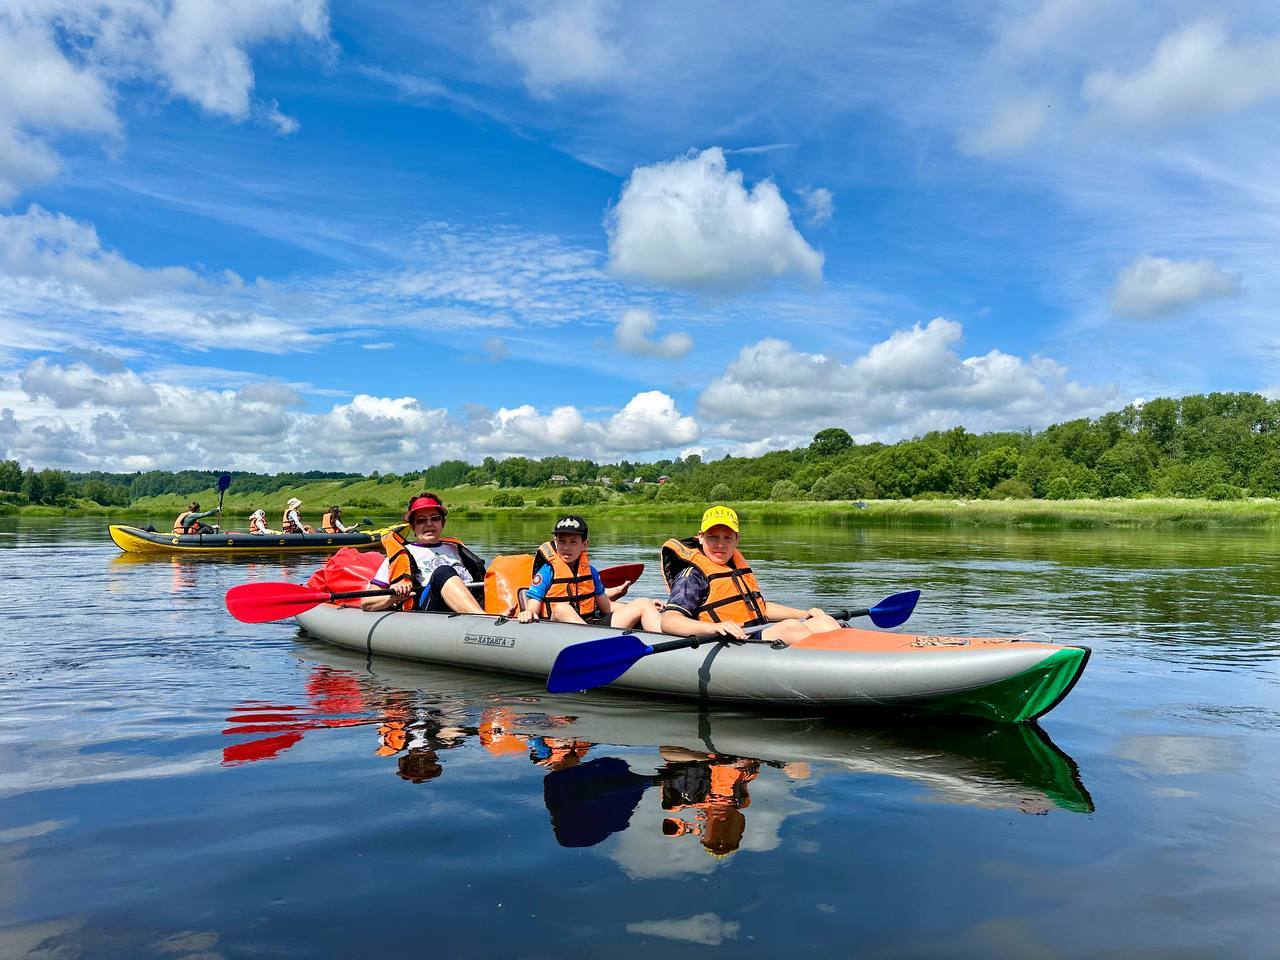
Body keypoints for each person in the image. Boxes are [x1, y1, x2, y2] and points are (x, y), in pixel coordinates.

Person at [659, 505, 843, 644]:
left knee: (824, 622)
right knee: (790, 627)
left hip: (756, 632)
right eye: (712, 537)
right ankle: (838, 667)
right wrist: (714, 627)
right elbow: (670, 621)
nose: (720, 544)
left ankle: (849, 657)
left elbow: (761, 608)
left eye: (727, 537)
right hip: (727, 641)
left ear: (737, 539)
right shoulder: (692, 576)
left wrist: (805, 613)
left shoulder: (735, 567)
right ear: (700, 537)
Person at [517, 515, 663, 632]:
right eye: (562, 541)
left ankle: (666, 643)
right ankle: (593, 642)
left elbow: (607, 607)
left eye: (573, 542)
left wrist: (644, 605)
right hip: (557, 628)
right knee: (562, 608)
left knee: (643, 603)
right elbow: (533, 607)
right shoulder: (547, 571)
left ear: (585, 544)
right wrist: (528, 612)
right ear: (555, 543)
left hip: (591, 625)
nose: (566, 547)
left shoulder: (591, 572)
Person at [361, 493, 488, 614]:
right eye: (421, 520)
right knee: (443, 572)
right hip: (430, 608)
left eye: (435, 518)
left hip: (472, 601)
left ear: (442, 523)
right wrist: (393, 596)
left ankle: (489, 616)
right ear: (412, 526)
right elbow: (367, 602)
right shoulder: (400, 555)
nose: (429, 524)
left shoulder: (457, 549)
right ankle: (483, 618)